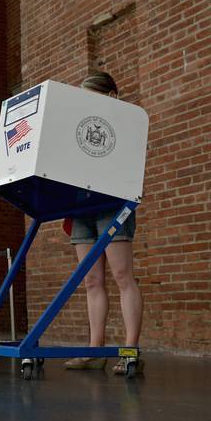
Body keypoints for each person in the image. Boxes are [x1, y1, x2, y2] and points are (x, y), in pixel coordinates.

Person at [63, 72, 144, 375]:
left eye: (90, 96)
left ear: (110, 96)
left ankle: (130, 351)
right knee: (91, 281)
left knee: (123, 275)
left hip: (112, 203)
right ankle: (95, 351)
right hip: (82, 204)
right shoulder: (80, 129)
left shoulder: (126, 123)